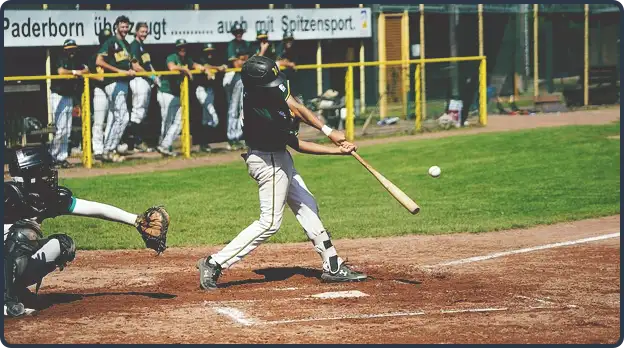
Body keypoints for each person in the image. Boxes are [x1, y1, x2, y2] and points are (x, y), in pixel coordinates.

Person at [196, 55, 367, 290]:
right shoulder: (262, 115)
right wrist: (337, 151)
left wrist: (328, 130)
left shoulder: (265, 87)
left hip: (277, 158)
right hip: (270, 162)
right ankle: (214, 263)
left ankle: (333, 264)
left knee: (307, 205)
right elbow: (297, 145)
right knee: (269, 223)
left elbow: (295, 105)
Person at [3, 146, 169, 317]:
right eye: (44, 172)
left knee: (63, 245)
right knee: (24, 234)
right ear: (31, 175)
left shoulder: (44, 198)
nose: (50, 176)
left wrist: (135, 220)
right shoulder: (7, 196)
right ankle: (6, 303)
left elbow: (94, 208)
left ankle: (15, 290)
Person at [95, 15, 139, 163]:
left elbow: (133, 64)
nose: (125, 29)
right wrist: (118, 71)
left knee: (116, 118)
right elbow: (99, 61)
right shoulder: (110, 41)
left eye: (127, 26)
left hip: (123, 83)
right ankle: (109, 149)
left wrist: (150, 75)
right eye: (122, 26)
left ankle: (108, 150)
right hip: (114, 82)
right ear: (116, 27)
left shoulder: (127, 43)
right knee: (123, 118)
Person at [157, 38, 208, 157]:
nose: (182, 49)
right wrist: (184, 69)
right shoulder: (172, 57)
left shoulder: (186, 59)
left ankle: (164, 146)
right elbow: (171, 67)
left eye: (184, 47)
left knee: (179, 122)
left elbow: (196, 65)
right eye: (180, 48)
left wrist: (205, 69)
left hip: (176, 94)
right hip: (166, 93)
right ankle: (164, 146)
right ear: (177, 49)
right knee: (166, 122)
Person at [48, 39, 88, 169]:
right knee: (60, 130)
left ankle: (62, 157)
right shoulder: (60, 58)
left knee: (67, 130)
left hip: (68, 96)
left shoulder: (76, 60)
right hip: (58, 96)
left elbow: (87, 69)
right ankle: (53, 157)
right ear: (65, 49)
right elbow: (61, 72)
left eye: (73, 49)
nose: (72, 51)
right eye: (69, 49)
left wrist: (80, 71)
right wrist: (76, 72)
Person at [127, 21, 160, 153]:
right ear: (136, 32)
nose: (144, 34)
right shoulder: (134, 45)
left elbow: (147, 64)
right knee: (138, 112)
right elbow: (135, 66)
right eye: (142, 31)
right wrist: (151, 76)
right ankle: (135, 142)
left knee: (142, 112)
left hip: (145, 80)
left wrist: (155, 75)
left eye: (146, 32)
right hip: (138, 80)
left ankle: (137, 141)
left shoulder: (142, 46)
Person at [195, 43, 227, 153]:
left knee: (206, 120)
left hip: (210, 90)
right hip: (201, 90)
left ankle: (203, 144)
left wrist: (223, 67)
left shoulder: (215, 59)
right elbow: (206, 66)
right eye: (207, 51)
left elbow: (224, 65)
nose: (209, 54)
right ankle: (202, 142)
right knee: (214, 118)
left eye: (211, 51)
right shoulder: (201, 58)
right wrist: (218, 68)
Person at [90, 29, 115, 162]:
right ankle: (98, 150)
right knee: (99, 121)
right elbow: (89, 72)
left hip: (112, 89)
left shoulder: (114, 56)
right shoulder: (95, 55)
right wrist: (101, 79)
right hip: (100, 90)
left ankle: (108, 148)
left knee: (113, 119)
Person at [223, 23, 250, 151]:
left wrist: (244, 60)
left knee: (242, 108)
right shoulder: (232, 45)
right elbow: (237, 63)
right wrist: (244, 60)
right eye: (236, 32)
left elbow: (252, 60)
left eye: (240, 31)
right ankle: (231, 138)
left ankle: (239, 137)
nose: (239, 34)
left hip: (244, 78)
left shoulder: (246, 44)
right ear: (234, 33)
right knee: (233, 109)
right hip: (233, 77)